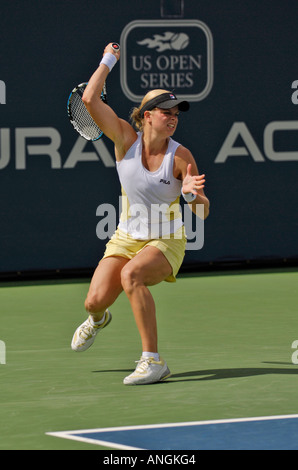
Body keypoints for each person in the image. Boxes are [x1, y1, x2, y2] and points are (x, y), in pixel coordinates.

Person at [71, 42, 210, 385]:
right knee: (93, 301)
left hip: (167, 241)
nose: (173, 117)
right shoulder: (123, 139)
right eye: (167, 112)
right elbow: (89, 100)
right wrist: (108, 59)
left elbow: (203, 213)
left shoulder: (181, 157)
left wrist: (193, 198)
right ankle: (98, 319)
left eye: (177, 113)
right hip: (125, 237)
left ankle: (153, 361)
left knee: (131, 275)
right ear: (147, 116)